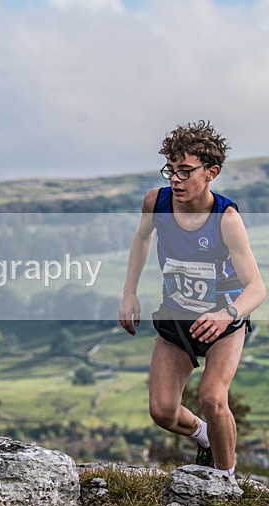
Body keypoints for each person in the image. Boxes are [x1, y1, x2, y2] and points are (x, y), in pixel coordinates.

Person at [119, 121, 265, 477]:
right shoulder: (156, 201)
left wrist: (226, 314)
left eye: (185, 171)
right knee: (163, 411)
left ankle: (225, 479)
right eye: (171, 170)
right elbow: (141, 239)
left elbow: (258, 288)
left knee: (214, 399)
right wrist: (129, 292)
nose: (176, 179)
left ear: (211, 172)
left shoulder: (226, 218)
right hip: (177, 314)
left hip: (222, 320)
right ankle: (204, 437)